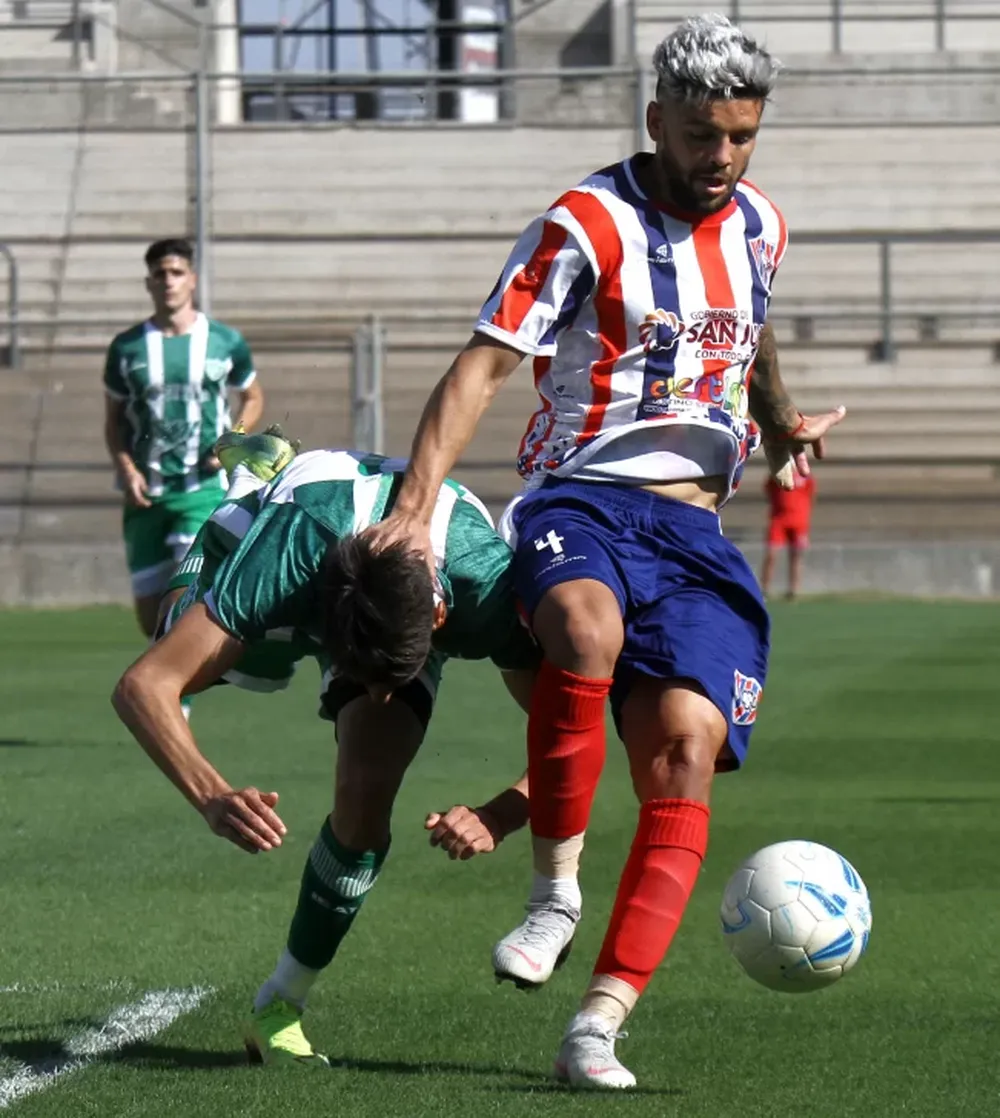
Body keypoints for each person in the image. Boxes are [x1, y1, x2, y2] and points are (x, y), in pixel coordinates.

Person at [363, 13, 846, 1090]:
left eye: (739, 137)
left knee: (681, 747)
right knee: (583, 630)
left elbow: (752, 334)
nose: (719, 157)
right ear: (655, 119)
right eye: (699, 135)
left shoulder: (762, 223)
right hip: (579, 497)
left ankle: (598, 1021)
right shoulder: (585, 221)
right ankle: (553, 896)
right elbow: (484, 364)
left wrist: (780, 426)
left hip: (695, 531)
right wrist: (413, 505)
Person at [111, 436, 537, 1067]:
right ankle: (251, 478)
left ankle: (280, 1004)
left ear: (440, 622)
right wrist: (210, 795)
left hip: (397, 576)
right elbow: (144, 686)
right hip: (299, 527)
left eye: (381, 679)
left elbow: (575, 738)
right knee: (175, 638)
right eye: (358, 674)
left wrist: (502, 813)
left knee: (366, 795)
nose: (367, 694)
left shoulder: (488, 590)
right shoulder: (290, 556)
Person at [102, 238, 265, 637]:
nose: (168, 281)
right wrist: (127, 469)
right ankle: (172, 681)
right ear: (149, 283)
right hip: (148, 493)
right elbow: (113, 422)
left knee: (182, 598)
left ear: (192, 279)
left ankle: (177, 694)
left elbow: (253, 397)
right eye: (160, 274)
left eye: (176, 273)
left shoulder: (224, 341)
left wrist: (232, 438)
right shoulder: (127, 348)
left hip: (203, 488)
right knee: (149, 617)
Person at [761, 470, 815, 599]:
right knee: (771, 554)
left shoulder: (805, 475)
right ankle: (764, 589)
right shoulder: (776, 474)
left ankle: (793, 590)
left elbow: (810, 494)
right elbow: (768, 490)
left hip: (799, 521)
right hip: (779, 519)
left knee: (796, 556)